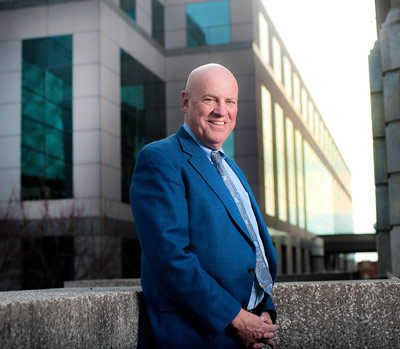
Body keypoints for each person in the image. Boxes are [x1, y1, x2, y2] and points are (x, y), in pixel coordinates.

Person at [130, 63, 278, 348]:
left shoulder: (231, 168)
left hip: (246, 330)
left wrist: (264, 308)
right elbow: (170, 259)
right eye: (210, 99)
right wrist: (237, 318)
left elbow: (254, 246)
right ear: (185, 101)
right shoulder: (159, 159)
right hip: (195, 336)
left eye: (230, 101)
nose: (221, 111)